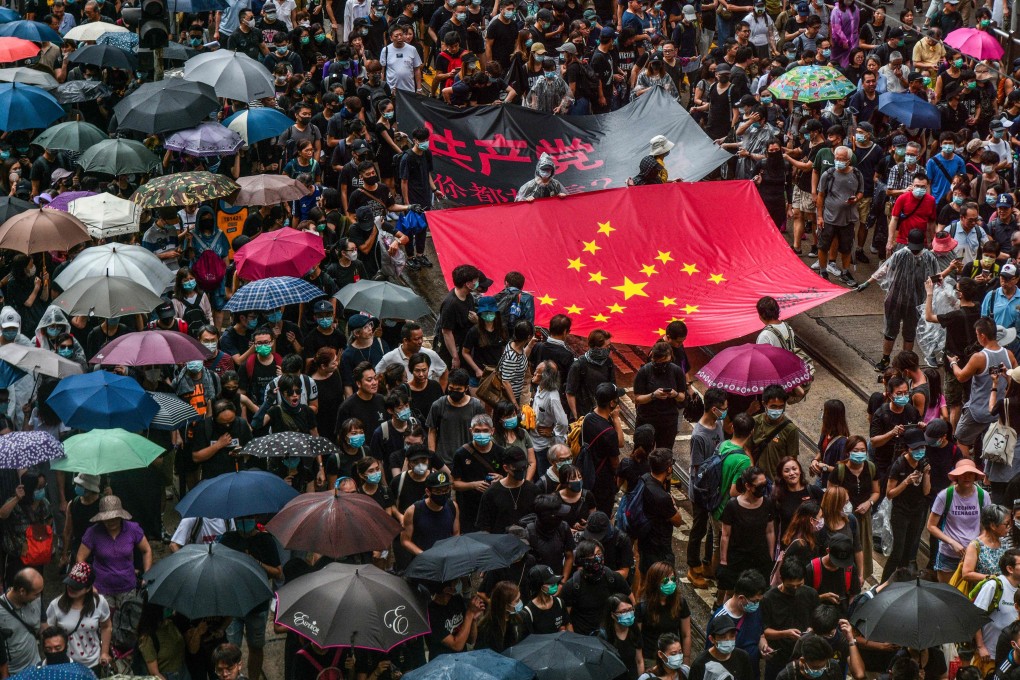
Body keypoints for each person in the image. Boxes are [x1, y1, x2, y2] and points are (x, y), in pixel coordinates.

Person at [76, 496, 152, 608]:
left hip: (128, 586)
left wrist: (147, 575)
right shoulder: (93, 532)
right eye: (107, 519)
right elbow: (80, 558)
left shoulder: (132, 529)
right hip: (101, 588)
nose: (111, 522)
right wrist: (88, 584)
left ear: (120, 516)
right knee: (105, 622)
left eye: (114, 518)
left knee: (127, 621)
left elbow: (147, 550)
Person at [927, 458, 991, 583]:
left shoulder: (983, 496)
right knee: (947, 593)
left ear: (975, 476)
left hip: (974, 555)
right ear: (957, 476)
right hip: (948, 554)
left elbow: (986, 526)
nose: (967, 477)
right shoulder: (945, 495)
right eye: (963, 474)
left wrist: (977, 545)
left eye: (970, 474)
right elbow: (931, 526)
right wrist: (952, 542)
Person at [882, 428, 932, 582]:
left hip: (917, 511)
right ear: (907, 448)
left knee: (909, 551)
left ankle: (901, 582)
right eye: (916, 448)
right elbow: (890, 494)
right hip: (901, 512)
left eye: (922, 447)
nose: (920, 451)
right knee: (898, 551)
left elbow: (926, 491)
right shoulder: (899, 465)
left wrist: (926, 475)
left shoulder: (924, 463)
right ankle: (884, 583)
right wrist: (906, 482)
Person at [719, 467, 776, 602]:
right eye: (760, 485)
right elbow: (725, 535)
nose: (763, 488)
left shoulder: (767, 503)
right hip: (738, 556)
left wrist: (771, 556)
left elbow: (770, 531)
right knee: (732, 590)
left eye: (765, 484)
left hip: (758, 557)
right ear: (748, 486)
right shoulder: (732, 506)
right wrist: (723, 560)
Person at [46, 562, 112, 670]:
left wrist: (104, 652)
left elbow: (106, 626)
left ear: (88, 588)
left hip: (93, 664)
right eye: (69, 584)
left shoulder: (100, 602)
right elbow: (48, 634)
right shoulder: (55, 605)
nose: (71, 588)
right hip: (66, 664)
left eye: (76, 587)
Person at [762, 560, 820, 680]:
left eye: (799, 585)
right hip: (778, 657)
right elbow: (764, 631)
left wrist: (812, 629)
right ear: (781, 578)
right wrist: (785, 634)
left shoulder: (811, 594)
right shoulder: (768, 599)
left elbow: (818, 621)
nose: (795, 589)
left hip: (804, 657)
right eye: (790, 586)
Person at [639, 448, 685, 575]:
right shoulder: (662, 497)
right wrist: (674, 504)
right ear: (668, 469)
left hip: (645, 541)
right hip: (659, 547)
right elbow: (677, 521)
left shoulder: (645, 478)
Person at [637, 561, 692, 668]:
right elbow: (637, 640)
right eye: (666, 580)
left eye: (673, 579)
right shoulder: (642, 607)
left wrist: (686, 660)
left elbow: (686, 634)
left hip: (674, 657)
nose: (670, 583)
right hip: (651, 659)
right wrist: (640, 664)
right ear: (655, 582)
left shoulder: (680, 603)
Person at [633, 341, 686, 450]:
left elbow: (682, 396)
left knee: (664, 454)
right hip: (647, 420)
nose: (662, 365)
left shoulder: (677, 371)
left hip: (668, 422)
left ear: (670, 357)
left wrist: (675, 394)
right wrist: (653, 395)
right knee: (642, 452)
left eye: (665, 362)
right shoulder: (644, 371)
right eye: (658, 362)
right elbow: (638, 399)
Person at [583, 382, 626, 514]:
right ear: (612, 403)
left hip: (587, 471)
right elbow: (619, 448)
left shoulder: (588, 418)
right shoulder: (609, 432)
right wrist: (616, 419)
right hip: (603, 480)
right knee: (603, 511)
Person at [974, 549, 1020, 670]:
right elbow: (975, 615)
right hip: (989, 656)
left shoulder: (1018, 589)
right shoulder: (994, 586)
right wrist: (981, 647)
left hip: (1012, 657)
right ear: (1010, 569)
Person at [401, 471, 460, 556]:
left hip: (446, 557)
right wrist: (424, 555)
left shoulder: (453, 506)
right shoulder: (413, 511)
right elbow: (405, 541)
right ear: (428, 492)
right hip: (423, 560)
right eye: (438, 491)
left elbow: (456, 533)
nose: (443, 494)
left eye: (446, 490)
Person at [752, 385, 799, 482]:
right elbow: (746, 448)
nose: (777, 410)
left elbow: (792, 459)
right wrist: (751, 470)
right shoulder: (755, 422)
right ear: (764, 404)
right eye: (773, 406)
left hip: (776, 483)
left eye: (780, 407)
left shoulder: (791, 429)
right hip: (756, 480)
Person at [0, 568, 43, 673]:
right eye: (36, 593)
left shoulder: (36, 600)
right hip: (14, 673)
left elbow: (41, 626)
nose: (39, 597)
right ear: (22, 591)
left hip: (36, 666)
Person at [688, 615, 753, 680]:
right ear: (712, 639)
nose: (728, 640)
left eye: (732, 636)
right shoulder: (699, 665)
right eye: (723, 637)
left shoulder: (743, 657)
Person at [962, 504, 1011, 584]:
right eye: (1006, 524)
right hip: (984, 592)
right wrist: (993, 578)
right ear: (993, 526)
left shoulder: (1004, 542)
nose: (1008, 527)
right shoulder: (975, 546)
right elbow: (967, 574)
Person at [474, 581, 527, 652]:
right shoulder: (486, 629)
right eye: (517, 601)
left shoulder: (521, 617)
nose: (520, 602)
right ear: (505, 605)